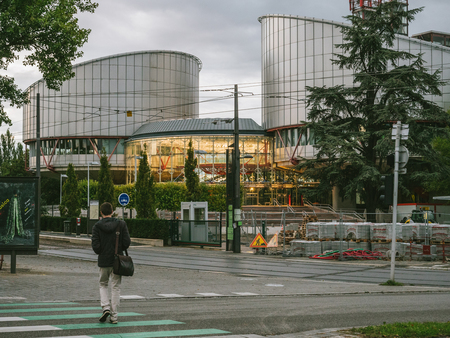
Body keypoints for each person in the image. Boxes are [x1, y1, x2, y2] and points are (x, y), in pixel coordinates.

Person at [91, 202, 131, 324]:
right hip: (117, 261)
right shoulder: (121, 224)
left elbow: (96, 247)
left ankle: (105, 307)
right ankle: (114, 316)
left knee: (103, 284)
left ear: (101, 213)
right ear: (112, 212)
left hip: (103, 260)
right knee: (115, 287)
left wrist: (103, 250)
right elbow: (127, 243)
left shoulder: (97, 226)